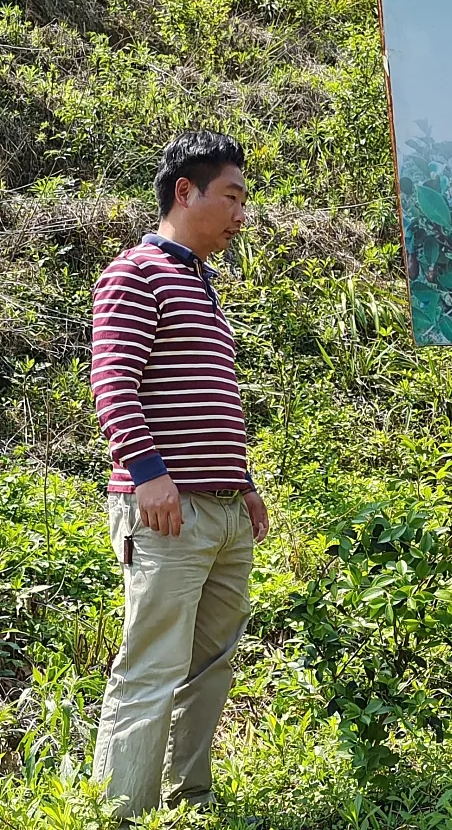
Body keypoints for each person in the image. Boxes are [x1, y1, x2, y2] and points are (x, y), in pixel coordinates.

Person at [90, 131, 270, 820]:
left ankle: (186, 799)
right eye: (232, 196)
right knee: (153, 666)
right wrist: (148, 473)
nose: (240, 214)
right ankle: (122, 812)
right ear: (185, 192)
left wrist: (243, 480)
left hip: (221, 507)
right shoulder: (136, 271)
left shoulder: (202, 282)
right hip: (168, 509)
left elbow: (211, 396)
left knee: (210, 663)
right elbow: (113, 380)